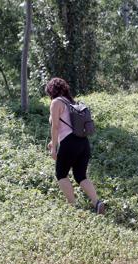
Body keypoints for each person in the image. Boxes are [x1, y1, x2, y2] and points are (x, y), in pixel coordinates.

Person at [46, 77, 105, 214]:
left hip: (69, 143)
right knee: (80, 175)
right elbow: (66, 127)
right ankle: (97, 202)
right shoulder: (71, 102)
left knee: (61, 174)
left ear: (51, 91)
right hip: (83, 142)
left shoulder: (56, 102)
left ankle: (73, 207)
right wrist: (53, 142)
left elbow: (55, 127)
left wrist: (54, 148)